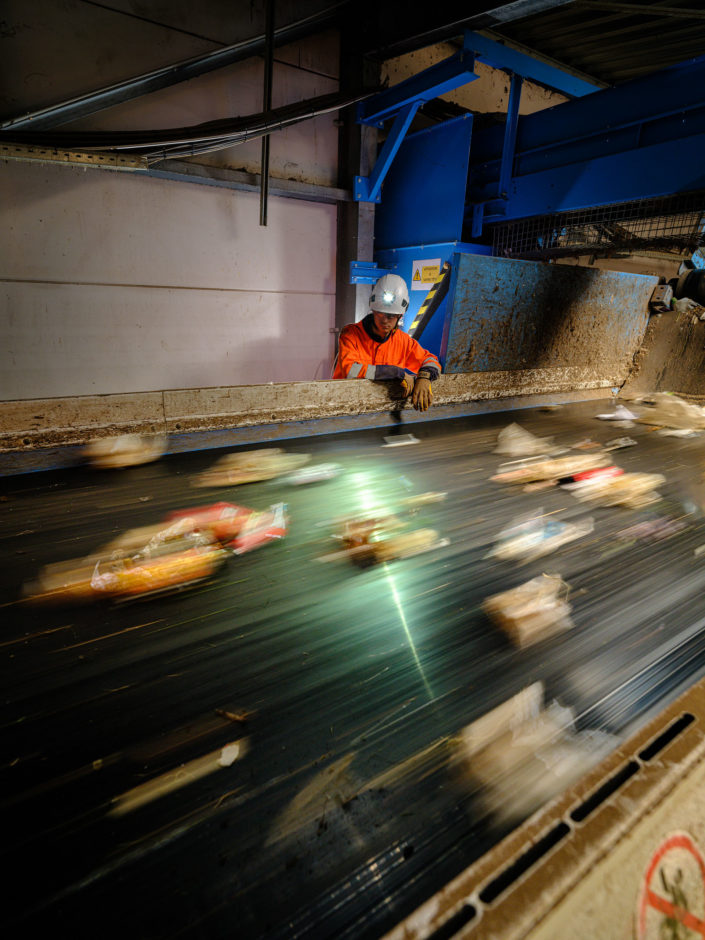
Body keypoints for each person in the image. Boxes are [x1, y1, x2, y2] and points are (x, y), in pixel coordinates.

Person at [333, 274, 441, 411]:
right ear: (373, 310)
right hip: (344, 406)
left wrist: (425, 377)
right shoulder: (351, 334)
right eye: (381, 314)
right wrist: (397, 372)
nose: (385, 320)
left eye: (391, 316)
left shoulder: (403, 341)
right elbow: (351, 371)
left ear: (400, 315)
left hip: (381, 409)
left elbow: (431, 360)